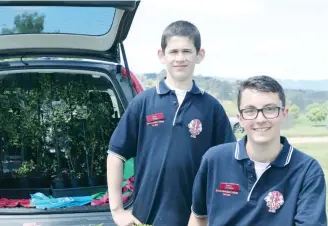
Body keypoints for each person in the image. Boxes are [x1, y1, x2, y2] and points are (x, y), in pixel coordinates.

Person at [106, 20, 236, 226]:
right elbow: (115, 155)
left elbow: (228, 165)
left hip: (195, 220)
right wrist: (117, 210)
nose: (180, 58)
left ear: (199, 55)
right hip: (144, 218)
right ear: (162, 55)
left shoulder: (212, 108)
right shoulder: (144, 102)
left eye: (187, 51)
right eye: (173, 51)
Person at [188, 75, 327, 226]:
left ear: (284, 114)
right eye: (250, 110)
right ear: (240, 117)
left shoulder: (307, 170)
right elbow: (198, 217)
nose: (260, 119)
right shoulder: (214, 160)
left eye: (270, 109)